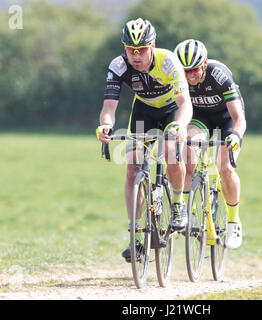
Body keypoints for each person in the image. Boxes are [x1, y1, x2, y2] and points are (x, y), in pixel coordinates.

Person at [96, 19, 193, 262]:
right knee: (132, 167)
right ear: (125, 48)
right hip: (144, 112)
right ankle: (135, 236)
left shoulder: (168, 61)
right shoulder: (118, 66)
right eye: (131, 50)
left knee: (172, 152)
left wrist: (180, 126)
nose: (136, 56)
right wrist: (106, 125)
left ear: (153, 46)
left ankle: (179, 205)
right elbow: (109, 107)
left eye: (141, 50)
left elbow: (185, 104)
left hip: (172, 110)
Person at [173, 39, 247, 249]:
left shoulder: (219, 75)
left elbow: (238, 118)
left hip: (227, 118)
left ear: (204, 63)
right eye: (185, 71)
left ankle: (233, 222)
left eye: (194, 70)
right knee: (188, 149)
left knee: (225, 168)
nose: (190, 76)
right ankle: (189, 212)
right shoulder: (179, 78)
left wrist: (235, 136)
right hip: (200, 118)